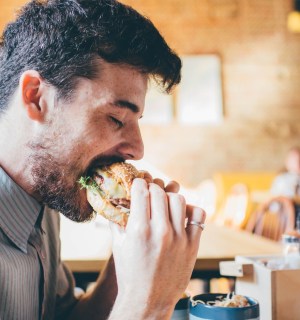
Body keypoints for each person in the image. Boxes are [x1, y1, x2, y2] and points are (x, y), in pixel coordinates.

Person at [0, 0, 206, 319]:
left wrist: (129, 263)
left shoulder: (44, 196)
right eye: (115, 117)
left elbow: (65, 316)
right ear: (36, 97)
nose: (137, 149)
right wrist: (150, 304)